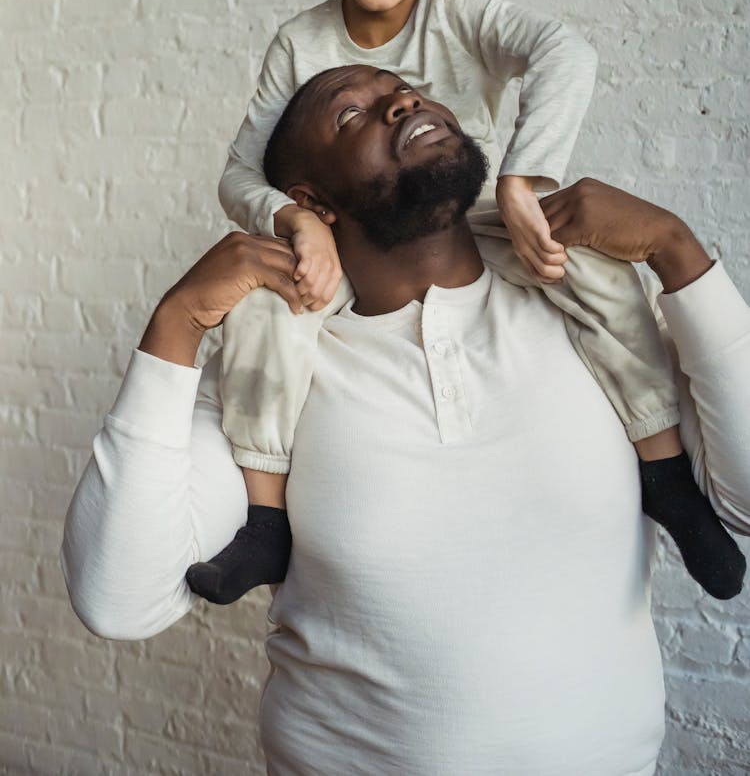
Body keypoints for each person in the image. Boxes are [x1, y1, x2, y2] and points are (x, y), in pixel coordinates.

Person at [62, 66, 749, 776]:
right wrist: (179, 321)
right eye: (352, 115)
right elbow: (118, 599)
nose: (402, 101)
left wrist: (677, 249)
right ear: (311, 202)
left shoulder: (597, 325)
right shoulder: (271, 379)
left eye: (407, 87)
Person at [206, 0, 735, 602]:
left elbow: (565, 50)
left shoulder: (457, 2)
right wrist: (298, 221)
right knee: (263, 311)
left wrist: (525, 177)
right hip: (364, 238)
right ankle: (265, 520)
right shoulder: (300, 41)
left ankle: (662, 471)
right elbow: (239, 174)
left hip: (479, 209)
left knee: (592, 267)